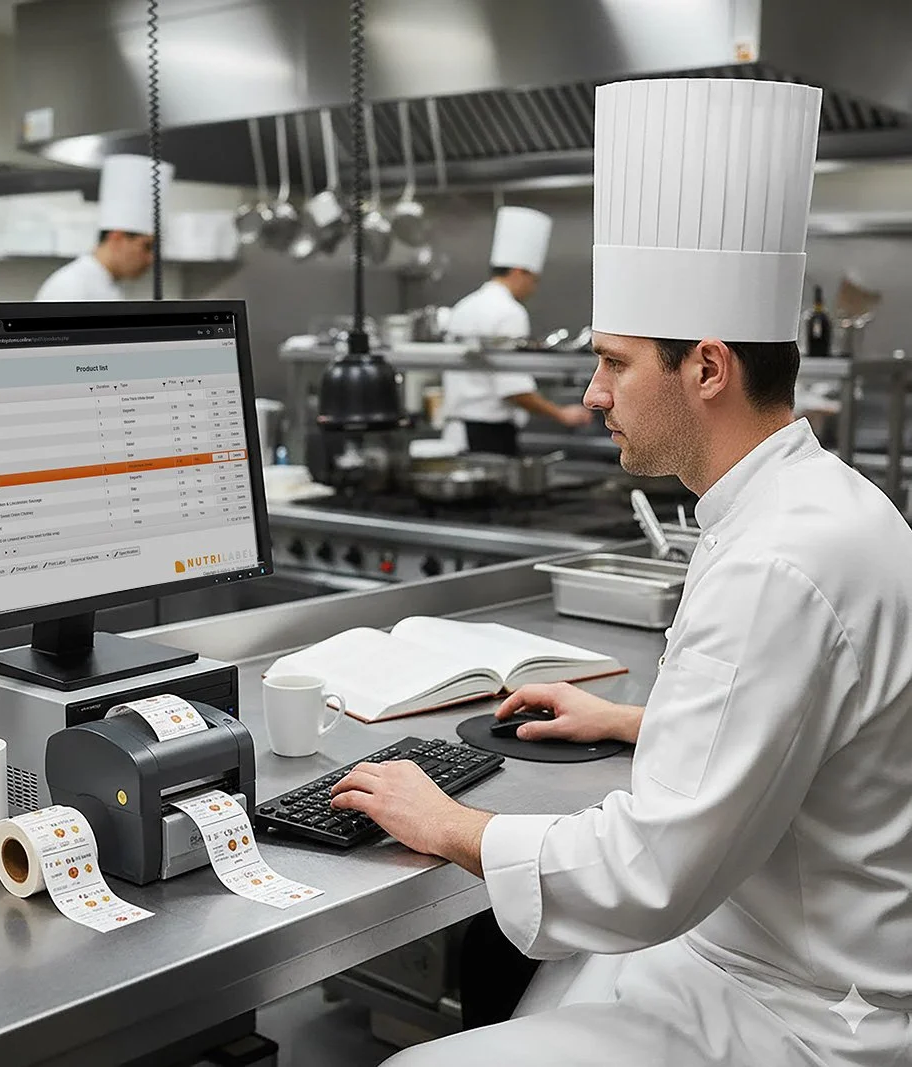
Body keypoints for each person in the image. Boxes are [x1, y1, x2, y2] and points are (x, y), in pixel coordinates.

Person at [330, 78, 912, 1067]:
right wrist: (632, 720)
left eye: (613, 362)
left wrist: (450, 820)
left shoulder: (780, 557)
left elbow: (649, 874)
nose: (592, 393)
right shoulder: (814, 502)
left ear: (707, 367)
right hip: (767, 943)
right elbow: (814, 729)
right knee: (518, 987)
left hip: (803, 1010)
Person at [441, 205, 593, 455]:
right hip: (488, 436)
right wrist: (561, 414)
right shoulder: (509, 311)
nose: (533, 289)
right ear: (519, 271)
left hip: (456, 434)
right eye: (533, 280)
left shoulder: (464, 305)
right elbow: (512, 389)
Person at [35, 154, 173, 301]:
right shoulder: (70, 287)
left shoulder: (109, 286)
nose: (151, 259)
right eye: (146, 246)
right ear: (117, 237)